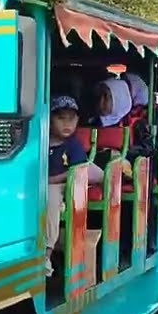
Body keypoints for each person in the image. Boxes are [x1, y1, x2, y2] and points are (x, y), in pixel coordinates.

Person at [45, 96, 103, 276]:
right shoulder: (41, 141)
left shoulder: (73, 144)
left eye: (72, 118)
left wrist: (53, 180)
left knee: (51, 201)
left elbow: (77, 170)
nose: (67, 124)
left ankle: (46, 254)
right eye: (61, 118)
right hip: (44, 183)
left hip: (64, 183)